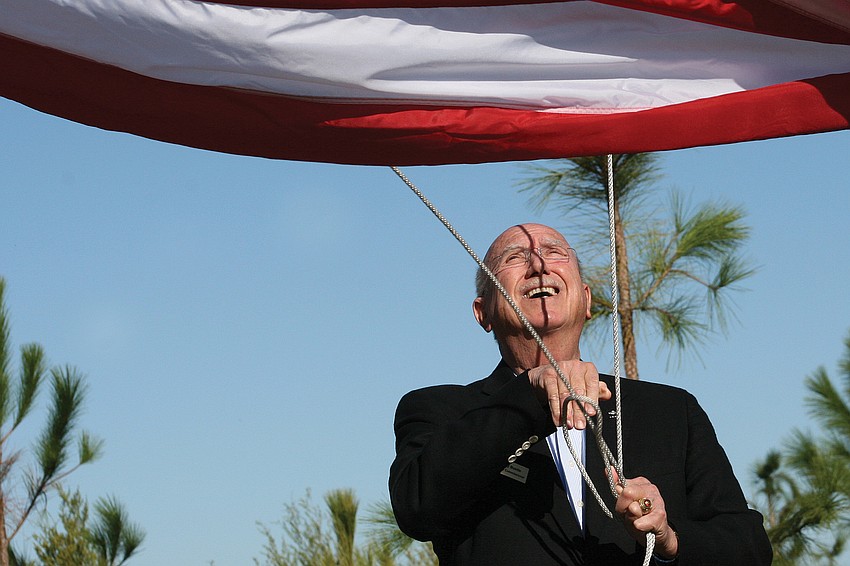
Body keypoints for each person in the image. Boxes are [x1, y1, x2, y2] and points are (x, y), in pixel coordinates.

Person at [389, 223, 772, 565]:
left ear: (587, 300)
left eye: (554, 251)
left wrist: (670, 540)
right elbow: (417, 508)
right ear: (482, 312)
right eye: (514, 257)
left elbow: (749, 547)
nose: (539, 264)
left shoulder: (670, 410)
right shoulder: (440, 409)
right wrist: (529, 394)